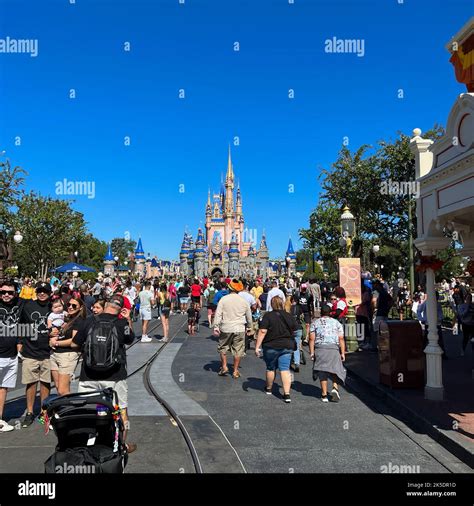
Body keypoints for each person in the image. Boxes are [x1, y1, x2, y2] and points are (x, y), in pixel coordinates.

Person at [71, 294, 136, 453]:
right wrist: (128, 319)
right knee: (121, 411)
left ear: (106, 303)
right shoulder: (121, 323)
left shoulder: (90, 320)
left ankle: (86, 446)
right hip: (115, 377)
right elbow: (130, 339)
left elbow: (74, 343)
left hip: (88, 376)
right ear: (121, 309)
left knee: (88, 411)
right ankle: (120, 446)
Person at [19, 281, 52, 427]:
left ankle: (44, 412)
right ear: (36, 292)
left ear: (50, 292)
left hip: (49, 352)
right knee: (31, 383)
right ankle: (30, 412)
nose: (42, 293)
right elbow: (21, 325)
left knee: (45, 383)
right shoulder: (28, 306)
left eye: (45, 291)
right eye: (40, 290)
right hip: (30, 350)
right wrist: (20, 342)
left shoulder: (55, 307)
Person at [255, 296, 297, 403]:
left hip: (271, 345)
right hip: (286, 345)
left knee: (270, 367)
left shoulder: (268, 316)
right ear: (282, 303)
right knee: (285, 369)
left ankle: (269, 388)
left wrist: (257, 346)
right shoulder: (288, 316)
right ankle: (287, 394)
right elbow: (295, 330)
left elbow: (263, 331)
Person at [213, 279, 252, 378]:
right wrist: (249, 327)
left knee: (223, 348)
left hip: (226, 327)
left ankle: (224, 366)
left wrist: (216, 326)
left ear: (229, 288)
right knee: (238, 350)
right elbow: (249, 316)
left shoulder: (224, 299)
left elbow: (218, 314)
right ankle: (235, 371)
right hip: (239, 328)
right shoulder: (244, 301)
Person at [309, 304, 346, 402]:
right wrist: (342, 353)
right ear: (330, 313)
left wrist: (312, 352)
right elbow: (341, 338)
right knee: (335, 369)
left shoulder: (315, 323)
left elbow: (311, 339)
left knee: (322, 371)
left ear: (321, 313)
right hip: (333, 348)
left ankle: (324, 395)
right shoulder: (337, 323)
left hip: (320, 348)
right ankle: (335, 387)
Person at [49, 297, 86, 395]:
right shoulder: (68, 318)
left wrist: (56, 343)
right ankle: (60, 409)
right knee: (58, 387)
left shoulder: (79, 320)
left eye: (74, 305)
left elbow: (73, 340)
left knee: (63, 390)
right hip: (55, 354)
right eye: (68, 305)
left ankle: (69, 410)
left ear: (81, 307)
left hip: (67, 356)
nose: (70, 307)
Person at [0, 280, 23, 431]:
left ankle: (0, 419)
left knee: (3, 388)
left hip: (12, 355)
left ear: (16, 293)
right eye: (3, 292)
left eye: (10, 292)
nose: (6, 295)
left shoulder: (21, 304)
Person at [289, 294, 304, 373]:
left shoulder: (289, 308)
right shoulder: (299, 308)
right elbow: (302, 317)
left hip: (291, 329)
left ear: (291, 300)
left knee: (290, 345)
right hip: (298, 328)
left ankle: (289, 360)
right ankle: (297, 363)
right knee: (297, 346)